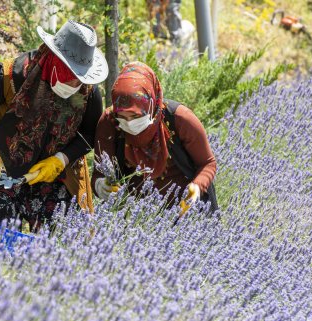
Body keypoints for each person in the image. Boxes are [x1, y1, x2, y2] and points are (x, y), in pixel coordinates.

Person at [0, 21, 108, 233]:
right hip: (2, 165)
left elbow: (88, 133)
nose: (74, 86)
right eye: (70, 77)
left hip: (55, 175)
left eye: (79, 80)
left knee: (63, 233)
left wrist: (61, 160)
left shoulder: (88, 92)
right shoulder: (13, 75)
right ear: (54, 60)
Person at [92, 62, 218, 213]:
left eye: (135, 116)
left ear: (151, 106)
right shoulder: (110, 122)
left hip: (185, 211)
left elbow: (208, 163)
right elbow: (99, 171)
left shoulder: (179, 119)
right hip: (135, 217)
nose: (129, 123)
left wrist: (197, 187)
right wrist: (101, 186)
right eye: (123, 117)